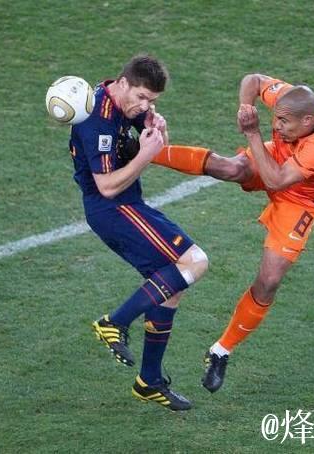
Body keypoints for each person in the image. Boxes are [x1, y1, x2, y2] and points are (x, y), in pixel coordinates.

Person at [142, 74, 314, 392]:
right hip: (283, 161)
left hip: (303, 199)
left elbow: (276, 180)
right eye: (275, 119)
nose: (277, 127)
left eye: (283, 123)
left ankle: (220, 351)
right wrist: (245, 107)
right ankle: (143, 151)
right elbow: (253, 80)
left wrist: (253, 132)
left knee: (269, 280)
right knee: (232, 167)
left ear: (308, 121)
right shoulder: (291, 103)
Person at [68, 54, 209, 411]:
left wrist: (156, 128)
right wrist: (146, 154)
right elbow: (107, 187)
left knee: (171, 286)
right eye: (142, 97)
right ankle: (114, 322)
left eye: (152, 100)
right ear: (123, 83)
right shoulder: (96, 120)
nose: (145, 105)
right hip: (114, 210)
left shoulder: (121, 101)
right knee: (194, 262)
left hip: (128, 204)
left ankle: (149, 381)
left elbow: (154, 146)